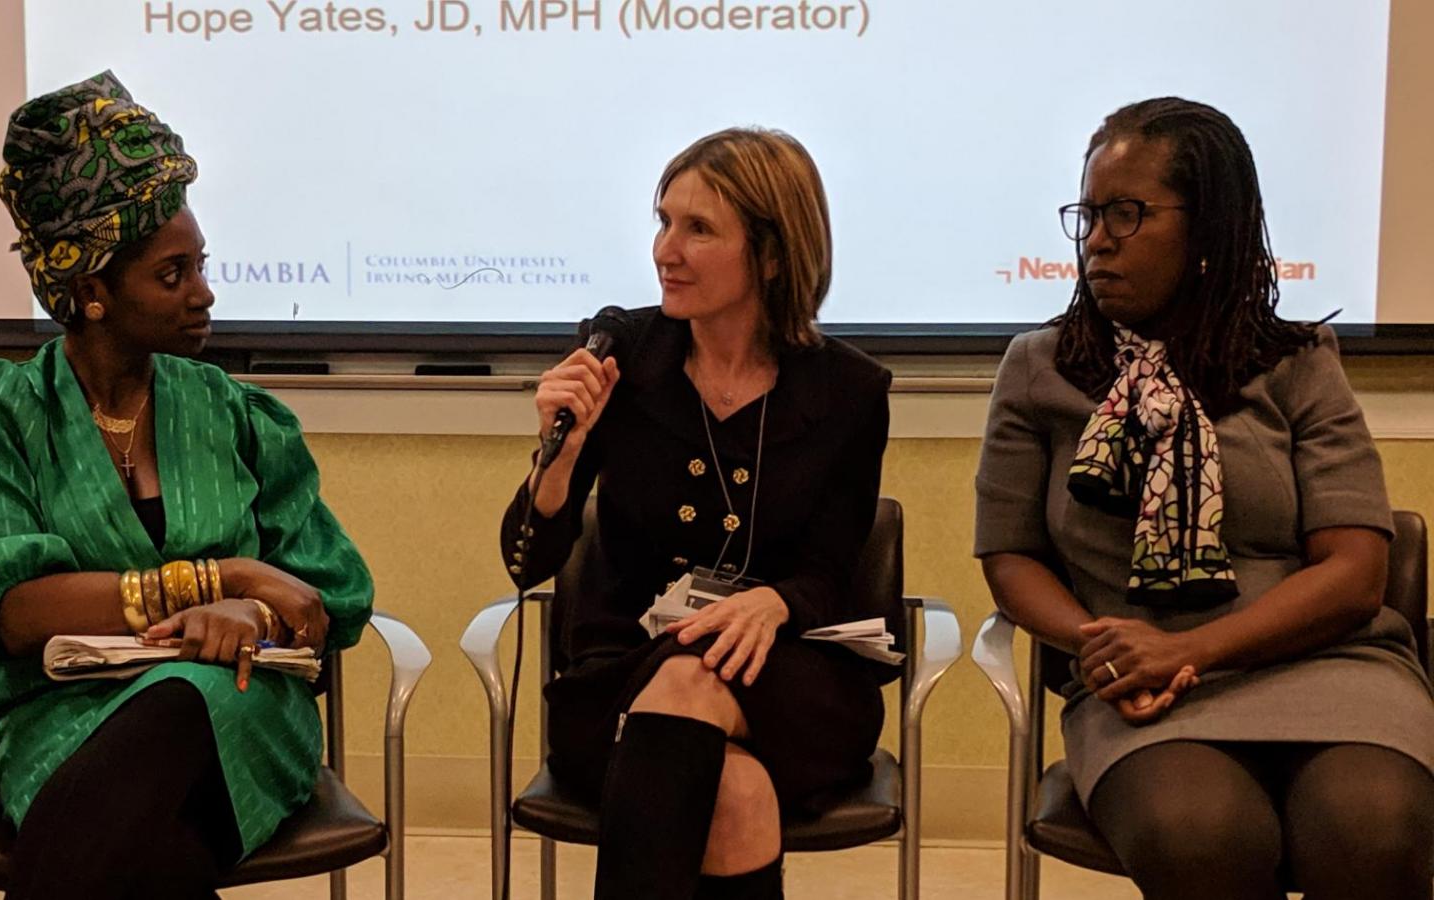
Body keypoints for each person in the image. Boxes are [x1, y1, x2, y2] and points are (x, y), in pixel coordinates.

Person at [0, 71, 373, 900]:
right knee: (148, 858)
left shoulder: (236, 414)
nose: (204, 294)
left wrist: (256, 612)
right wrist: (223, 578)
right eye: (172, 276)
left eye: (201, 265)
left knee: (172, 712)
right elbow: (9, 612)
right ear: (91, 293)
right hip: (64, 719)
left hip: (239, 705)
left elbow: (328, 598)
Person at [974, 97, 1434, 900]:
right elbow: (1011, 558)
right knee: (1203, 838)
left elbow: (1357, 571)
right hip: (1138, 690)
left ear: (1209, 228)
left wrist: (1193, 649)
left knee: (1371, 833)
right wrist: (1105, 643)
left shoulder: (1298, 361)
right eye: (1087, 215)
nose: (1097, 241)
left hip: (1329, 667)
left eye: (1127, 214)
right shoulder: (1039, 367)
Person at [499, 127, 893, 900]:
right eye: (663, 220)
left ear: (773, 254)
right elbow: (525, 562)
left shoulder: (847, 393)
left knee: (696, 688)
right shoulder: (622, 357)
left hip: (788, 674)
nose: (664, 250)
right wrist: (561, 458)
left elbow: (831, 571)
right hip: (623, 672)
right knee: (734, 793)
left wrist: (774, 601)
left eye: (699, 229)